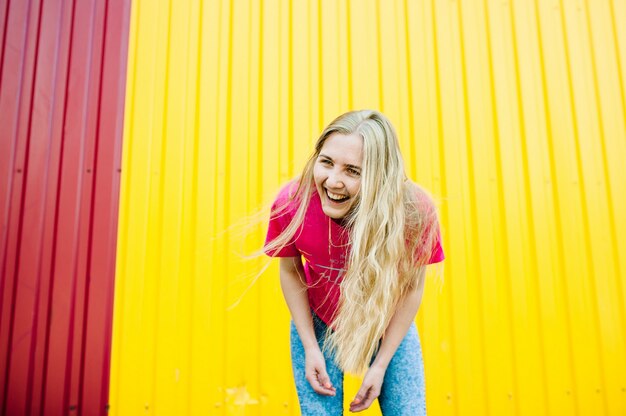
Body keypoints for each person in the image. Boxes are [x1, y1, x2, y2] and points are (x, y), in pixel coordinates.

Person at [264, 110, 444, 415]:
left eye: (353, 171)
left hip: (384, 319)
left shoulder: (414, 211)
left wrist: (382, 363)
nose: (333, 181)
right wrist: (310, 346)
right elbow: (290, 270)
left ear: (380, 176)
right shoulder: (292, 203)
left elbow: (412, 288)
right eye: (326, 162)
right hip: (319, 319)